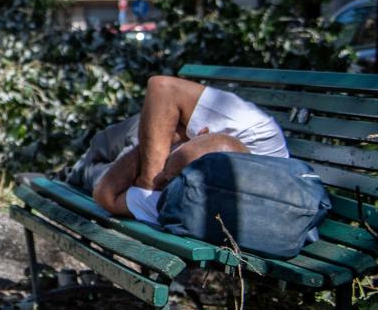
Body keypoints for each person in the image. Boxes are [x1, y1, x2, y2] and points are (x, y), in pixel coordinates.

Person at [93, 75, 288, 224]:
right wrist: (153, 175)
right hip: (150, 130)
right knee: (103, 141)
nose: (161, 178)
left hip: (134, 157)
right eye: (167, 170)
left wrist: (151, 183)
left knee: (87, 168)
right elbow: (162, 86)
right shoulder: (259, 134)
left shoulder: (182, 205)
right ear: (202, 132)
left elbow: (105, 195)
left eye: (171, 180)